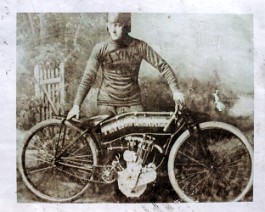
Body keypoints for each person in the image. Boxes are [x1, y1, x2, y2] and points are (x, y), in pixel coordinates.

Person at [67, 13, 184, 119]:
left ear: (126, 26)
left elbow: (163, 66)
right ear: (107, 25)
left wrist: (176, 91)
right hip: (106, 104)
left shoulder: (139, 46)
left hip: (132, 103)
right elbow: (88, 77)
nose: (113, 30)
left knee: (140, 139)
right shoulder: (100, 48)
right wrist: (76, 105)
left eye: (118, 25)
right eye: (111, 24)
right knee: (106, 141)